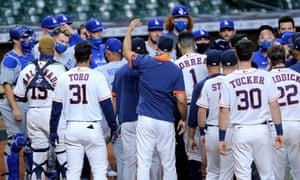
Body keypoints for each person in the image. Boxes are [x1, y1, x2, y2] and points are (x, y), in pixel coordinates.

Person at [123, 19, 187, 180]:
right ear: (172, 49)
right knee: (168, 163)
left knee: (144, 162)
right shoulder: (175, 69)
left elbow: (125, 52)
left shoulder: (146, 62)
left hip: (146, 119)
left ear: (157, 48)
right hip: (165, 120)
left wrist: (129, 30)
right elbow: (181, 99)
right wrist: (184, 118)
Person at [49, 41, 119, 179]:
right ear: (90, 57)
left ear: (75, 56)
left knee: (73, 172)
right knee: (99, 171)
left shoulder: (64, 77)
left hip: (71, 128)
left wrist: (53, 130)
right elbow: (107, 105)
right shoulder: (97, 76)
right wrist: (113, 126)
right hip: (92, 128)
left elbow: (56, 108)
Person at [218, 39, 284, 179]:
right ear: (252, 55)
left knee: (243, 176)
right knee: (267, 174)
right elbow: (274, 105)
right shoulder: (265, 76)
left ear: (236, 55)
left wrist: (222, 137)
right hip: (262, 130)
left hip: (241, 130)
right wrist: (279, 131)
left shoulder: (227, 80)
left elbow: (224, 110)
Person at [13, 35, 66, 179]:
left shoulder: (27, 68)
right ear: (53, 49)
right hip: (53, 113)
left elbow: (18, 95)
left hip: (33, 114)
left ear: (39, 49)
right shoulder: (59, 69)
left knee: (38, 157)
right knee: (63, 156)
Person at [112, 37, 162, 180]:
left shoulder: (120, 72)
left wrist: (111, 121)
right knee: (153, 159)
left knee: (130, 162)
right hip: (149, 119)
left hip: (128, 120)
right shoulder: (152, 69)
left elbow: (114, 100)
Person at [0, 26, 35, 180]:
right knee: (17, 141)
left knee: (30, 143)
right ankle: (11, 177)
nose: (28, 40)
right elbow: (6, 85)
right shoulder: (10, 59)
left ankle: (30, 175)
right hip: (13, 102)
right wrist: (15, 108)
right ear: (14, 40)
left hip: (29, 102)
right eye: (24, 38)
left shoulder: (31, 55)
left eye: (28, 37)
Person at [196, 49, 237, 180]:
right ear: (236, 64)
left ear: (220, 65)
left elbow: (201, 111)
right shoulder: (237, 82)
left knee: (212, 172)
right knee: (226, 173)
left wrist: (202, 132)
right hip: (230, 130)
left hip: (212, 130)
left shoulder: (209, 83)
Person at [173, 31, 208, 180]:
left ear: (179, 46)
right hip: (209, 108)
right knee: (212, 150)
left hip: (187, 108)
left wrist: (183, 117)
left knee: (193, 153)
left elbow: (177, 97)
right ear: (194, 44)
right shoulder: (206, 59)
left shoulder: (175, 65)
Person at [95, 38, 127, 180]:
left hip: (106, 115)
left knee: (96, 151)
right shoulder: (129, 66)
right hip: (127, 114)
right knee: (125, 157)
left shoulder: (99, 71)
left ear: (108, 53)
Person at [267, 45, 300, 180]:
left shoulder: (265, 78)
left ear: (269, 60)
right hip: (297, 125)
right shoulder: (298, 75)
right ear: (286, 57)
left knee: (278, 174)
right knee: (298, 172)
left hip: (275, 127)